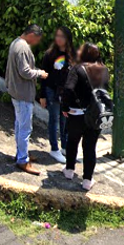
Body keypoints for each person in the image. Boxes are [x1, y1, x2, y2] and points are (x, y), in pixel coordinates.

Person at [61, 42, 110, 192]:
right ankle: (87, 180)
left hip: (77, 114)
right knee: (90, 147)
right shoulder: (104, 70)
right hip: (95, 116)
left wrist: (65, 107)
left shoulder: (78, 69)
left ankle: (69, 170)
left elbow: (68, 89)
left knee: (72, 142)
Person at [5, 24, 48, 176]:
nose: (37, 42)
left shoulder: (16, 43)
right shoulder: (23, 47)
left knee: (19, 125)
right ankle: (23, 160)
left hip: (16, 91)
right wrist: (40, 73)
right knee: (25, 128)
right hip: (22, 93)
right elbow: (24, 71)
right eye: (37, 39)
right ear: (32, 35)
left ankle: (21, 154)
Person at [38, 26, 76, 164]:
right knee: (54, 119)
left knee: (65, 120)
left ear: (68, 39)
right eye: (57, 35)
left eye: (62, 36)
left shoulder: (71, 55)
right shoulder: (50, 54)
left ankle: (65, 147)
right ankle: (54, 149)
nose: (59, 39)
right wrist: (42, 96)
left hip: (65, 93)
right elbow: (43, 76)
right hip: (52, 91)